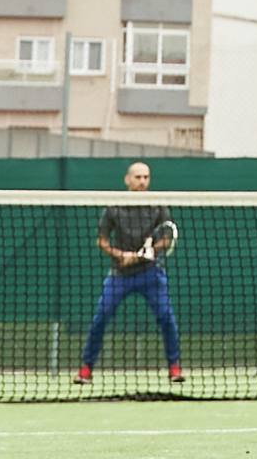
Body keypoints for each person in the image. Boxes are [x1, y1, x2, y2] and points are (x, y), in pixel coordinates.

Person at [76, 161, 183, 385]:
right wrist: (120, 255)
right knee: (100, 318)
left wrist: (149, 251)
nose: (142, 181)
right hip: (120, 275)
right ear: (127, 180)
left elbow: (166, 237)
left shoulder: (158, 207)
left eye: (146, 177)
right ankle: (86, 368)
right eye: (138, 177)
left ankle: (174, 368)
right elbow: (102, 241)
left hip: (151, 274)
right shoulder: (114, 208)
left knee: (166, 318)